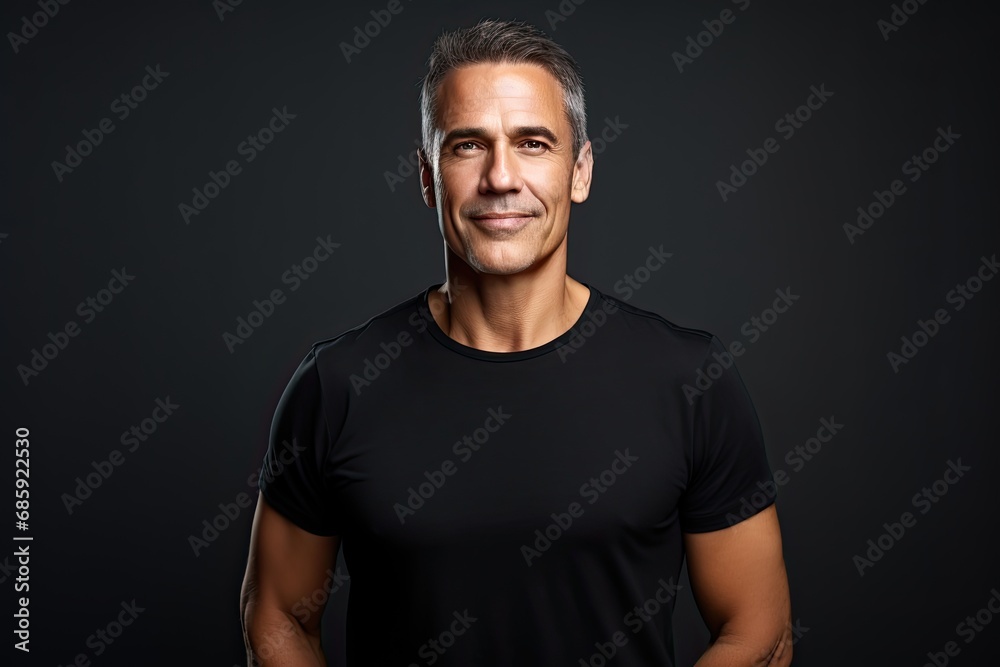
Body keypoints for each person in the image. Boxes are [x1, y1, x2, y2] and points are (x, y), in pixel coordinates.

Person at [240, 18, 792, 667]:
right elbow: (276, 613)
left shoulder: (689, 379)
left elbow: (759, 628)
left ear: (579, 171)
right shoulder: (336, 384)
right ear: (426, 177)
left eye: (532, 143)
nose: (501, 177)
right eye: (467, 146)